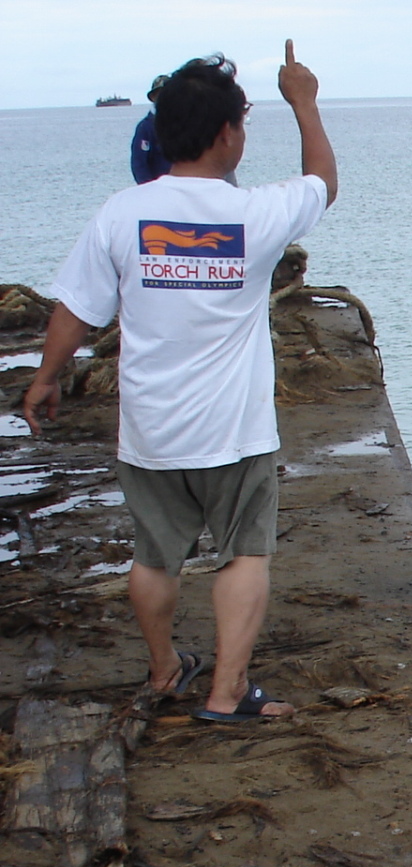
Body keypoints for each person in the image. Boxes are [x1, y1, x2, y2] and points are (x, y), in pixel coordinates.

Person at [25, 44, 337, 722]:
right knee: (244, 554)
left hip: (150, 429)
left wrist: (48, 377)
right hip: (234, 431)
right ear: (229, 134)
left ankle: (166, 670)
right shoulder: (256, 215)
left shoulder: (120, 213)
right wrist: (305, 102)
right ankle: (226, 694)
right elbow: (322, 181)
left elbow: (77, 306)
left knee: (153, 557)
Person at [130, 76, 172, 184]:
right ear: (153, 97)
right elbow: (139, 165)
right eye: (159, 94)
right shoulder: (145, 128)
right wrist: (149, 190)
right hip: (156, 190)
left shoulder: (183, 124)